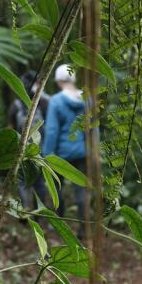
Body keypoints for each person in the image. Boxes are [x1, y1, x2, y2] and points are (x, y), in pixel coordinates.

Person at [42, 64, 86, 223]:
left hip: (60, 154)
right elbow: (93, 129)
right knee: (82, 191)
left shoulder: (56, 101)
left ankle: (59, 223)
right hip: (82, 152)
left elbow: (52, 130)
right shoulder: (87, 99)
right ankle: (84, 228)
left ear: (59, 81)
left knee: (56, 189)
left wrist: (47, 154)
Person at [7, 71, 50, 210]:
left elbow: (10, 129)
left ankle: (25, 208)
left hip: (21, 150)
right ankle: (38, 212)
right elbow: (50, 127)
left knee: (21, 181)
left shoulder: (15, 105)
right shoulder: (44, 102)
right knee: (39, 182)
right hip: (39, 150)